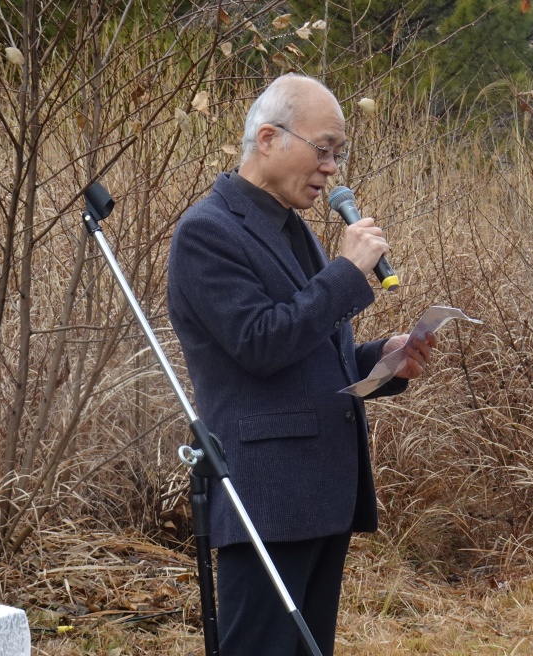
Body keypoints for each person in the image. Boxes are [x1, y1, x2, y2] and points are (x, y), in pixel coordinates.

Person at [166, 73, 436, 656]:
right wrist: (345, 275)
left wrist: (382, 360)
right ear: (268, 139)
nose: (333, 169)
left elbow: (311, 354)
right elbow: (259, 344)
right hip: (266, 496)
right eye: (324, 149)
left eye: (340, 154)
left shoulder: (293, 229)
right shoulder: (207, 232)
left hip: (320, 491)